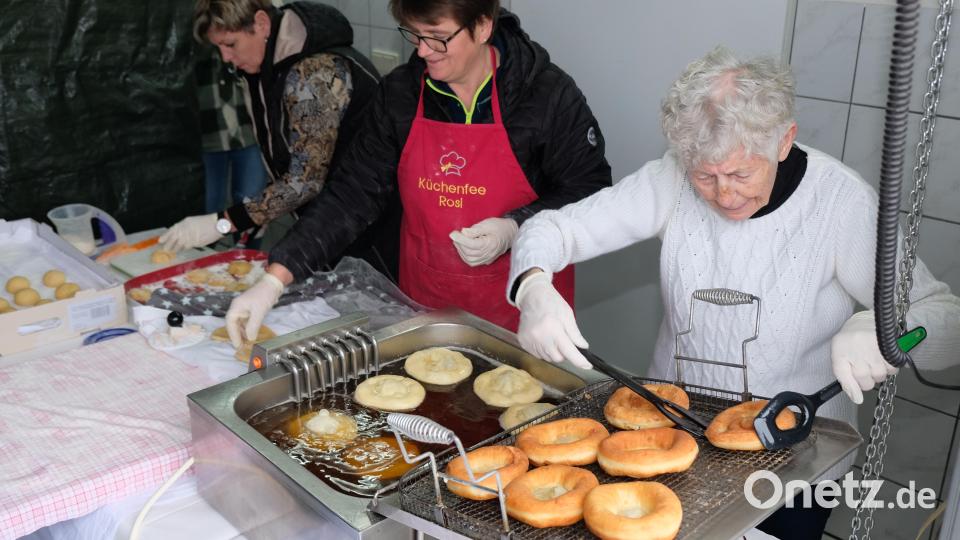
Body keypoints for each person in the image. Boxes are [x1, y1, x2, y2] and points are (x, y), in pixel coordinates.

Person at [507, 47, 960, 539]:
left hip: (795, 461)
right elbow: (556, 229)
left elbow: (944, 318)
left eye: (741, 174)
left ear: (784, 141)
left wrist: (884, 330)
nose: (724, 195)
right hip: (671, 440)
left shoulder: (841, 204)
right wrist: (532, 284)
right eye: (706, 176)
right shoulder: (672, 179)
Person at [224, 0, 611, 347]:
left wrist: (515, 227)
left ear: (482, 27)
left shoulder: (545, 96)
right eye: (415, 35)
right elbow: (351, 195)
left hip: (522, 312)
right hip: (424, 308)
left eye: (438, 37)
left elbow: (591, 191)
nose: (423, 51)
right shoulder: (401, 96)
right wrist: (276, 278)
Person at [163, 0, 395, 276]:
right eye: (219, 48)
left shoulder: (313, 72)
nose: (225, 58)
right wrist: (263, 210)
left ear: (261, 24)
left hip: (373, 228)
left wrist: (223, 223)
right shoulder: (267, 68)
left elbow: (305, 181)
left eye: (230, 44)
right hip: (337, 221)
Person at [195, 44, 268, 246]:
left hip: (249, 131)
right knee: (207, 211)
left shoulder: (242, 27)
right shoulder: (193, 29)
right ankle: (199, 268)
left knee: (251, 208)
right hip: (207, 134)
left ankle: (248, 266)